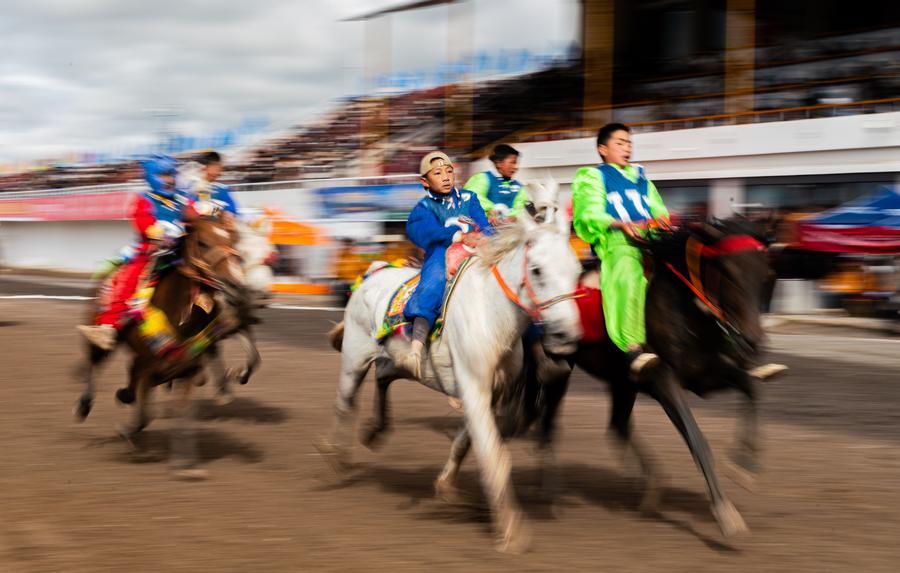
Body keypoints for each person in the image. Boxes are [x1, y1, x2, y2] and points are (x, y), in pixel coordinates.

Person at [571, 123, 670, 380]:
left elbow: (660, 212)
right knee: (629, 274)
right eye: (620, 143)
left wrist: (659, 224)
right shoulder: (593, 176)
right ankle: (633, 347)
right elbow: (588, 213)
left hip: (652, 241)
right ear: (602, 149)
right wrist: (621, 225)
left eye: (629, 143)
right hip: (618, 244)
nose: (627, 148)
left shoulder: (641, 178)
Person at [76, 155, 190, 350]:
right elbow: (144, 224)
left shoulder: (183, 198)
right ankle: (107, 327)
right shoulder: (143, 200)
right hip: (152, 253)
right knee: (128, 280)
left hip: (184, 252)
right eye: (164, 175)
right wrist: (161, 232)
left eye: (171, 174)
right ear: (152, 177)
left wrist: (212, 212)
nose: (169, 180)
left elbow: (196, 213)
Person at [398, 151, 494, 379]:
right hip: (443, 252)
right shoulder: (423, 207)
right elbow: (424, 231)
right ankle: (416, 349)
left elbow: (483, 223)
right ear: (425, 181)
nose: (445, 177)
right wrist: (457, 236)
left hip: (476, 250)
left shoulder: (469, 198)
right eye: (438, 173)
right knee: (434, 281)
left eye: (449, 171)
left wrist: (489, 236)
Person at [463, 144, 528, 222]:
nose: (516, 167)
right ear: (499, 163)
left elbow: (520, 207)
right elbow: (470, 197)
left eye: (516, 163)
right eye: (512, 162)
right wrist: (490, 210)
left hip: (510, 229)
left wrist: (513, 216)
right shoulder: (483, 178)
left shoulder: (518, 186)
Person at [184, 150, 237, 216]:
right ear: (204, 168)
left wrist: (229, 213)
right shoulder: (195, 186)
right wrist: (221, 212)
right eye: (214, 168)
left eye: (218, 169)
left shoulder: (222, 189)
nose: (217, 173)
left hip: (220, 222)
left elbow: (232, 208)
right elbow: (203, 209)